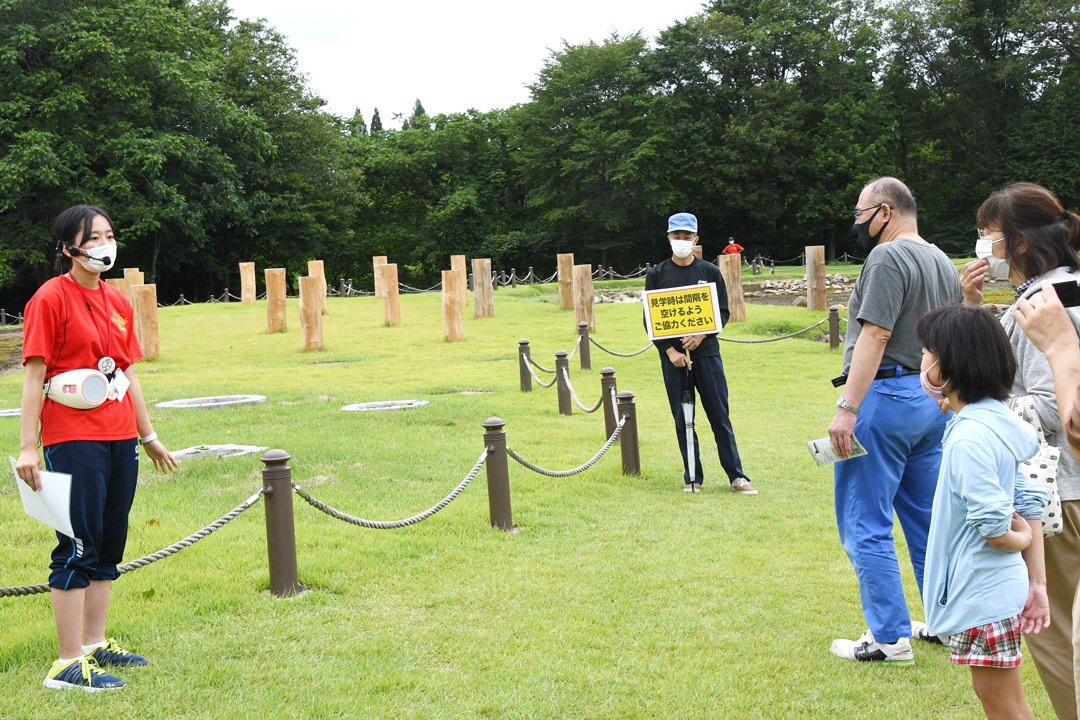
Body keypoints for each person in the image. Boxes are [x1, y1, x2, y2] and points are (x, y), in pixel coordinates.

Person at [14, 205, 178, 692]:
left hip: (118, 436)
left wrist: (148, 438)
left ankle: (93, 644)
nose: (104, 244)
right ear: (68, 248)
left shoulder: (117, 301)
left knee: (108, 542)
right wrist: (27, 447)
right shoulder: (49, 299)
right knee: (77, 543)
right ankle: (65, 664)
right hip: (72, 438)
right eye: (93, 237)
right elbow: (34, 377)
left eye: (109, 234)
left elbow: (126, 375)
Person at [827, 177, 962, 664]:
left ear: (884, 211)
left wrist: (848, 408)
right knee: (929, 521)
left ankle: (888, 636)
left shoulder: (886, 257)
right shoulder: (942, 259)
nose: (858, 224)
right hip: (932, 399)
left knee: (866, 520)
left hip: (885, 398)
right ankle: (947, 623)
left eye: (861, 214)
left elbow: (876, 333)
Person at [960, 182, 1080, 720]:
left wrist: (979, 412)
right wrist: (973, 307)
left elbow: (1053, 411)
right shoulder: (1071, 287)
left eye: (988, 234)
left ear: (1019, 242)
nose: (984, 245)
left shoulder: (1039, 304)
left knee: (1055, 632)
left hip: (1061, 491)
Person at [918, 304, 1049, 720]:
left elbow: (995, 527)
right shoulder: (992, 422)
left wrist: (1021, 540)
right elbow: (1028, 500)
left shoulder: (970, 437)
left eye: (926, 351)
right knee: (998, 698)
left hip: (982, 591)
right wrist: (1039, 584)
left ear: (948, 365)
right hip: (998, 589)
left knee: (1004, 704)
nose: (921, 359)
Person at [644, 212, 756, 495]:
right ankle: (693, 477)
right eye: (676, 236)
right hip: (674, 360)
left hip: (706, 356)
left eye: (687, 236)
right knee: (684, 419)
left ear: (696, 239)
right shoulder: (656, 274)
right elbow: (650, 319)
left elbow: (723, 311)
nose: (682, 241)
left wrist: (702, 334)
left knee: (719, 415)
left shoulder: (709, 272)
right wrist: (669, 350)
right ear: (669, 237)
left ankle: (737, 476)